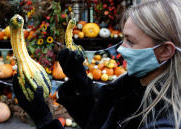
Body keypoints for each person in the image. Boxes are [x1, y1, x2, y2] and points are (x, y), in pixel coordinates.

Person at [12, 0, 181, 129]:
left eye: (130, 41)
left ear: (165, 51)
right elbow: (99, 123)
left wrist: (44, 119)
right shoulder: (133, 84)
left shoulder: (163, 122)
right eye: (123, 39)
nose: (121, 49)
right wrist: (80, 82)